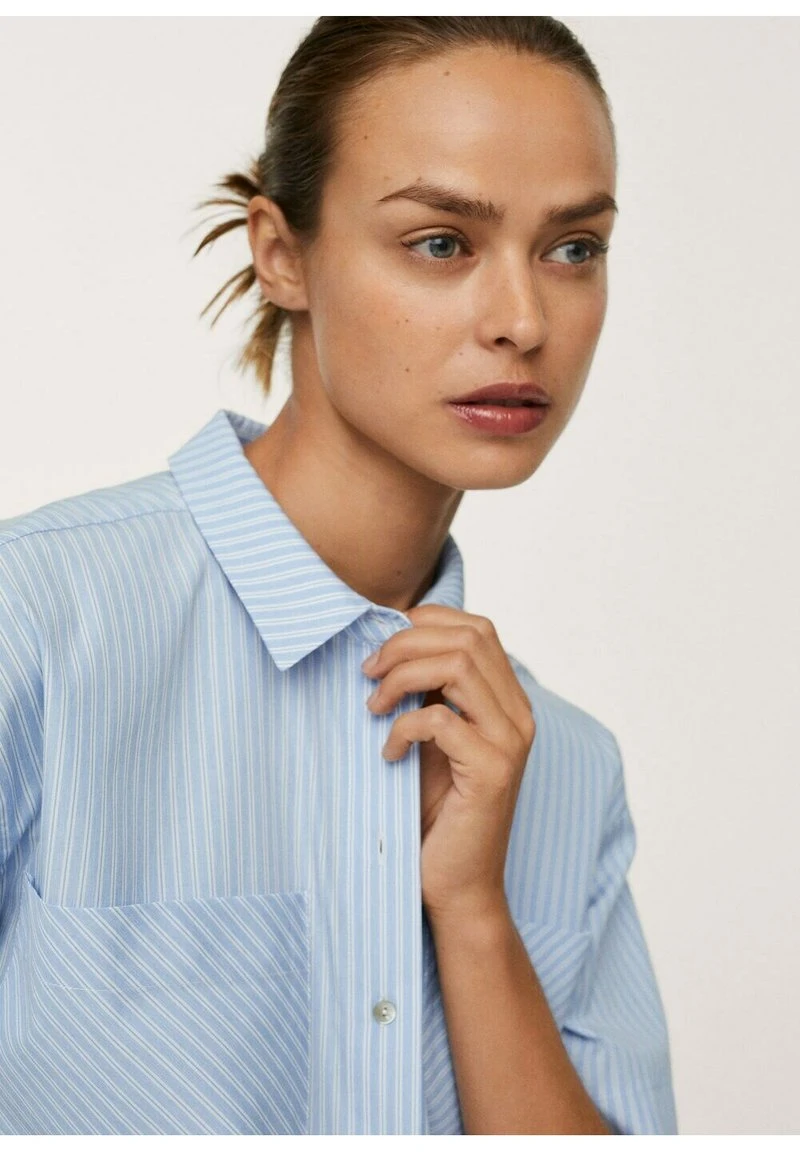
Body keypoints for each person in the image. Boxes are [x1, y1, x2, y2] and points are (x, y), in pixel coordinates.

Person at [0, 16, 678, 1136]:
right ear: (282, 252)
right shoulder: (34, 626)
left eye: (573, 249)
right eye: (440, 243)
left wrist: (473, 916)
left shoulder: (564, 768)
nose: (522, 322)